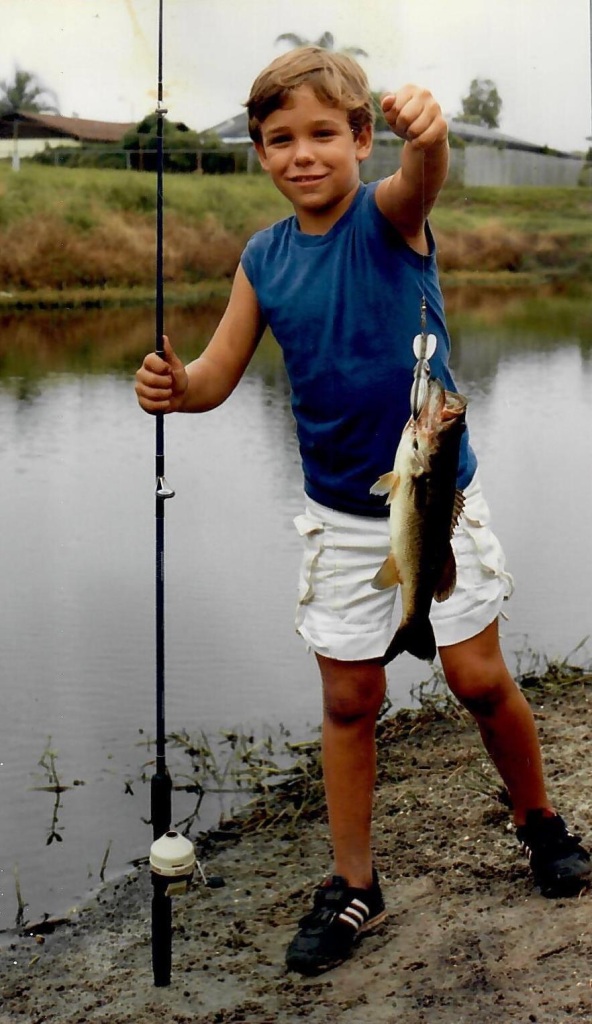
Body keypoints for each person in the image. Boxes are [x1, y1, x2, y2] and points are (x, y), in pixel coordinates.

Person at [135, 47, 590, 976]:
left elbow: (423, 181)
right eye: (278, 140)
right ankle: (355, 885)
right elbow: (219, 375)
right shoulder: (262, 258)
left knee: (476, 678)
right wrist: (175, 388)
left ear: (361, 140)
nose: (301, 155)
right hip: (341, 518)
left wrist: (434, 134)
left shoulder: (389, 218)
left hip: (434, 497)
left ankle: (538, 820)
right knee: (349, 698)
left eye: (321, 135)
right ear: (260, 152)